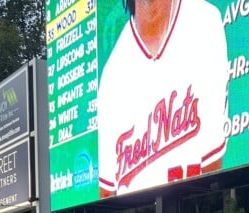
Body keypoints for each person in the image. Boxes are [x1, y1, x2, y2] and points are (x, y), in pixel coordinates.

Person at [97, 0, 229, 197]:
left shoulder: (203, 22)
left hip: (196, 212)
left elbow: (213, 164)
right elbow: (107, 195)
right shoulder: (112, 75)